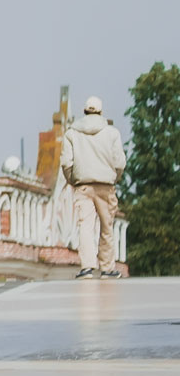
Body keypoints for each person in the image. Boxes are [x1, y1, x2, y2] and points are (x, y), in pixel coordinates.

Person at [60, 93, 127, 278]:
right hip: (106, 185)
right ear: (101, 112)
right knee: (107, 227)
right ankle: (107, 268)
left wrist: (73, 180)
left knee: (85, 226)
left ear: (84, 111)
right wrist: (115, 177)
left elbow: (66, 163)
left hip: (83, 186)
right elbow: (120, 162)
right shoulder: (112, 132)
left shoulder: (72, 133)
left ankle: (87, 267)